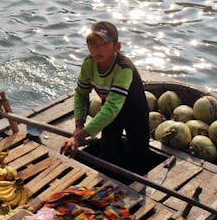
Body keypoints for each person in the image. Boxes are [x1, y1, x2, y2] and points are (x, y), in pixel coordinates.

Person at [61, 21, 151, 174]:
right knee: (108, 153)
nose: (97, 49)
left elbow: (111, 109)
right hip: (110, 113)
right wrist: (79, 126)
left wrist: (78, 137)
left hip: (134, 113)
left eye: (103, 44)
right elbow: (82, 94)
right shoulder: (88, 63)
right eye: (92, 44)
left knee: (139, 157)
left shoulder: (124, 69)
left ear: (117, 47)